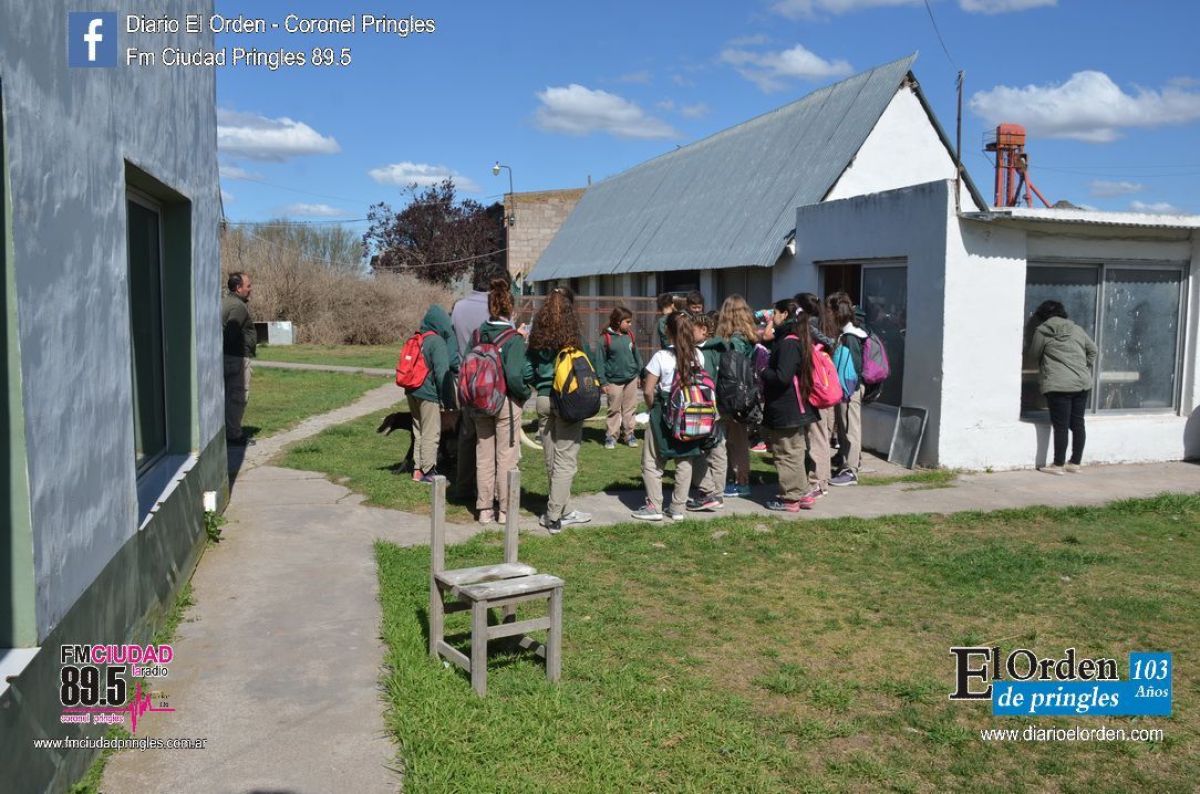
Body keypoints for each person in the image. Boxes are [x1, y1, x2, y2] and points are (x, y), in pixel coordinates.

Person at [525, 291, 592, 533]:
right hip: (567, 401)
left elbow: (526, 370)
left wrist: (539, 383)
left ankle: (564, 508)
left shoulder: (537, 338)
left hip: (543, 399)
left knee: (551, 458)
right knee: (566, 460)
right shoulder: (572, 338)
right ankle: (553, 516)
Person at [632, 312, 707, 521]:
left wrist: (651, 407)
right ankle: (678, 507)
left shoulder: (661, 357)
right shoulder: (698, 356)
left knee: (652, 460)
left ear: (668, 331)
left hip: (664, 411)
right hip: (690, 415)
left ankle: (655, 506)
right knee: (685, 459)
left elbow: (648, 390)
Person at [473, 279, 530, 524]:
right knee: (506, 455)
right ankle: (504, 510)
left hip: (479, 401)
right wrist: (524, 394)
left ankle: (484, 508)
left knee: (484, 453)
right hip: (506, 401)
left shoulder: (477, 333)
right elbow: (516, 375)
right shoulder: (513, 338)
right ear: (511, 309)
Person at [451, 263, 509, 496]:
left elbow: (456, 342)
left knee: (467, 436)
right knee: (492, 442)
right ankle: (491, 491)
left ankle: (463, 485)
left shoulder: (458, 307)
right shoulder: (497, 309)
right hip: (493, 385)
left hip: (465, 380)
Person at [760, 300, 822, 511]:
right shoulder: (796, 339)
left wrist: (763, 371)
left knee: (786, 453)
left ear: (784, 314)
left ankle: (790, 498)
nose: (772, 317)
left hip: (787, 408)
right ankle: (802, 493)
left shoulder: (788, 343)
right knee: (796, 451)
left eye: (774, 313)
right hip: (796, 406)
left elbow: (783, 377)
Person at [1027, 300, 1097, 474]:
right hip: (1081, 383)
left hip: (1058, 385)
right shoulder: (1077, 329)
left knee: (1061, 425)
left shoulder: (1042, 331)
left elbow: (1034, 354)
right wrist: (1081, 367)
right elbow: (1093, 350)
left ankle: (1058, 465)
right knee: (1078, 424)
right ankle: (1074, 463)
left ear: (1042, 315)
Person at [714, 295, 759, 498]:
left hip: (734, 396)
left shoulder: (735, 342)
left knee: (736, 440)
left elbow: (733, 372)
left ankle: (741, 481)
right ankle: (737, 479)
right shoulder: (749, 338)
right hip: (747, 393)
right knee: (737, 438)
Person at [408, 305, 457, 483]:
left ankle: (417, 470)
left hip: (412, 390)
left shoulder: (418, 338)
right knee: (431, 432)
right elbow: (442, 374)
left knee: (419, 430)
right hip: (428, 393)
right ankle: (428, 471)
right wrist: (449, 403)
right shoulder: (437, 342)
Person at [795, 292, 837, 494]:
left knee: (817, 436)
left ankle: (818, 482)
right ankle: (823, 480)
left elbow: (829, 342)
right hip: (826, 387)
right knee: (822, 435)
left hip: (816, 389)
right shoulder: (825, 322)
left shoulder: (810, 326)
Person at [827, 292, 868, 486]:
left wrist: (846, 391)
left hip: (849, 390)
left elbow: (854, 369)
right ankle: (847, 461)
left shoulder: (850, 337)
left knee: (851, 428)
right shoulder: (853, 332)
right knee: (845, 427)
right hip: (847, 389)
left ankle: (851, 471)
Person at [688, 312, 726, 511]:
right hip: (719, 406)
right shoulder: (721, 348)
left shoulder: (700, 352)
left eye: (691, 329)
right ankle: (718, 492)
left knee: (696, 450)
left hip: (702, 407)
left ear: (703, 330)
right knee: (718, 450)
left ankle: (708, 490)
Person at [599, 306, 642, 449]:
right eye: (627, 321)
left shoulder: (630, 335)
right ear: (618, 322)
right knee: (614, 409)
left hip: (631, 379)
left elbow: (637, 356)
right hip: (613, 381)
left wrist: (639, 373)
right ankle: (611, 436)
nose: (630, 325)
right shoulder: (605, 339)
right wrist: (603, 382)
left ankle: (629, 434)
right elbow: (599, 362)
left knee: (630, 408)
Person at [222, 272, 256, 445]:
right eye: (248, 286)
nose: (250, 289)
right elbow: (230, 333)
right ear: (238, 288)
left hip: (229, 357)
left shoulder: (227, 302)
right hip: (236, 358)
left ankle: (227, 432)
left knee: (228, 397)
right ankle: (233, 435)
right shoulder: (238, 307)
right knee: (238, 397)